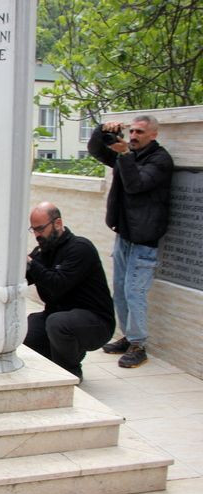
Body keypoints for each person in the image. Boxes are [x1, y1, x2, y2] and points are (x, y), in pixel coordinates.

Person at [87, 115, 174, 368]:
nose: (133, 136)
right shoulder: (128, 155)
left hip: (144, 240)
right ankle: (128, 337)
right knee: (122, 293)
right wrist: (102, 130)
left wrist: (125, 155)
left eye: (140, 132)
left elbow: (136, 185)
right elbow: (95, 149)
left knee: (134, 293)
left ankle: (139, 345)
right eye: (132, 131)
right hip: (124, 234)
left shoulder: (160, 161)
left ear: (153, 135)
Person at [23, 203, 115, 382]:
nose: (37, 235)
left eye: (40, 229)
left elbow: (57, 284)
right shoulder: (43, 251)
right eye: (33, 230)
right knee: (30, 329)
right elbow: (25, 278)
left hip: (96, 322)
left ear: (57, 223)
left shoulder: (80, 248)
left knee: (57, 323)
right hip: (61, 317)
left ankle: (71, 371)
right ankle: (59, 360)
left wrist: (31, 264)